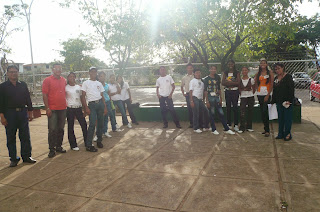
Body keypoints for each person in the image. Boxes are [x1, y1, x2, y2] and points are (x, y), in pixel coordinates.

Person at [0, 65, 36, 167]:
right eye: (11, 72)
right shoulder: (2, 87)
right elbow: (1, 103)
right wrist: (2, 116)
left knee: (25, 136)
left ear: (18, 73)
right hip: (9, 114)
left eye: (15, 72)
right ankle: (13, 159)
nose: (13, 73)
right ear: (7, 73)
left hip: (22, 113)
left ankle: (26, 156)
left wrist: (30, 112)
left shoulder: (23, 85)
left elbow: (28, 99)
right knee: (11, 137)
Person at [42, 64, 67, 158]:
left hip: (63, 108)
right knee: (52, 130)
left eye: (60, 68)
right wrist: (47, 108)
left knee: (61, 129)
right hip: (52, 109)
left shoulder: (64, 80)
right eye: (56, 68)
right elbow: (44, 95)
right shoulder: (47, 80)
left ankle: (59, 146)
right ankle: (51, 149)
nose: (58, 70)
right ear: (53, 70)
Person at [81, 67, 107, 152]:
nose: (93, 73)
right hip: (91, 105)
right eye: (92, 72)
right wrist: (86, 108)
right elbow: (83, 96)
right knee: (92, 124)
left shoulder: (99, 83)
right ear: (89, 73)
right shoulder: (86, 83)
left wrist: (105, 107)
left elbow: (102, 96)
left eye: (95, 72)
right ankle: (89, 145)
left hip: (100, 104)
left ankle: (99, 141)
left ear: (96, 73)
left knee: (100, 124)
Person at [204, 65, 235, 135]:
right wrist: (207, 101)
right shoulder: (206, 79)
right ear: (209, 70)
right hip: (210, 97)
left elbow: (219, 88)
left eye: (215, 69)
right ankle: (213, 129)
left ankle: (226, 128)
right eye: (212, 69)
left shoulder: (217, 77)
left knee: (221, 113)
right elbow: (205, 90)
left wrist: (221, 98)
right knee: (212, 114)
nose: (213, 70)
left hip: (216, 97)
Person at [272, 63, 294, 141]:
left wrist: (289, 100)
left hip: (287, 102)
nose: (277, 70)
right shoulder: (275, 78)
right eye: (276, 69)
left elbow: (291, 89)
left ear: (283, 68)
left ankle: (287, 134)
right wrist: (273, 101)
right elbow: (274, 90)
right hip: (279, 101)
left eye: (279, 68)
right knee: (280, 118)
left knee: (287, 118)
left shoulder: (288, 77)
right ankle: (280, 134)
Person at [65, 72, 87, 151]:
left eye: (73, 76)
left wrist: (84, 108)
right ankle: (73, 145)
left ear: (75, 77)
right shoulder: (65, 87)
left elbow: (82, 98)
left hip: (78, 108)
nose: (72, 78)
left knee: (84, 125)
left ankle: (87, 141)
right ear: (67, 78)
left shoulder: (79, 87)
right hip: (70, 108)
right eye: (70, 76)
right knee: (70, 126)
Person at [254, 58, 274, 137]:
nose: (262, 64)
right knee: (262, 112)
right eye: (261, 63)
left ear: (266, 64)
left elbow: (272, 84)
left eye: (264, 63)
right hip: (260, 94)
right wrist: (256, 90)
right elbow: (255, 82)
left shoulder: (270, 73)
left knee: (265, 111)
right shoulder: (258, 73)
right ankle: (265, 129)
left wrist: (268, 94)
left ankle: (267, 130)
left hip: (267, 94)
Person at [222, 59, 240, 132]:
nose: (230, 65)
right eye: (229, 64)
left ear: (234, 64)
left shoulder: (237, 72)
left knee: (235, 108)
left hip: (235, 91)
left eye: (231, 64)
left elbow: (238, 82)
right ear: (227, 65)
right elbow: (223, 82)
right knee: (228, 108)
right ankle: (228, 124)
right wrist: (233, 82)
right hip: (227, 92)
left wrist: (228, 83)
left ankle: (236, 125)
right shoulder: (225, 73)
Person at [189, 69, 209, 133]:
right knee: (196, 113)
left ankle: (205, 126)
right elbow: (190, 91)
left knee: (206, 111)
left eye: (199, 73)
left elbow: (203, 91)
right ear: (194, 74)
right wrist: (191, 101)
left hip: (200, 99)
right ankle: (196, 127)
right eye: (196, 73)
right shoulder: (192, 81)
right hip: (195, 98)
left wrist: (203, 100)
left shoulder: (202, 81)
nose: (198, 74)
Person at [238, 67, 255, 133]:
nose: (244, 71)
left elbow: (254, 88)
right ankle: (242, 127)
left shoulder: (251, 79)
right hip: (243, 97)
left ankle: (249, 127)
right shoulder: (240, 80)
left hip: (250, 96)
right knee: (242, 112)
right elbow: (239, 89)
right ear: (241, 72)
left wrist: (250, 93)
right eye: (243, 70)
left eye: (245, 70)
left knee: (250, 112)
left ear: (248, 71)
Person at [181, 63, 194, 128]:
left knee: (196, 109)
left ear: (192, 68)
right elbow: (181, 86)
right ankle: (191, 123)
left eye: (191, 68)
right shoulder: (184, 78)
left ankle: (198, 122)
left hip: (195, 94)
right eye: (188, 68)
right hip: (188, 95)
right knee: (190, 109)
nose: (190, 69)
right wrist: (183, 93)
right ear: (187, 69)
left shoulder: (195, 76)